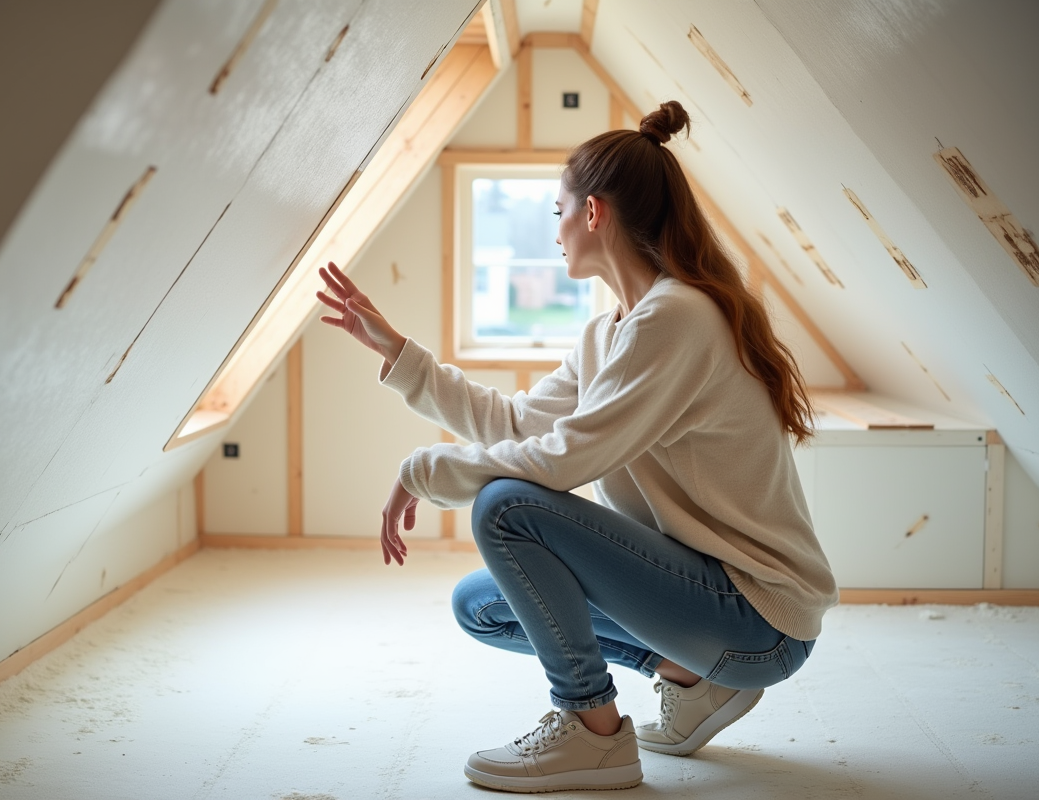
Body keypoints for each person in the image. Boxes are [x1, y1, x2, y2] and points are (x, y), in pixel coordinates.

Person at [316, 100, 838, 794]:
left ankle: (592, 733)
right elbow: (515, 423)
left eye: (557, 210)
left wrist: (425, 470)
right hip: (704, 599)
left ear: (593, 214)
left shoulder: (676, 318)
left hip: (758, 617)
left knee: (505, 509)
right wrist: (400, 354)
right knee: (483, 605)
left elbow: (563, 460)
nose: (554, 230)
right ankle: (688, 676)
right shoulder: (609, 334)